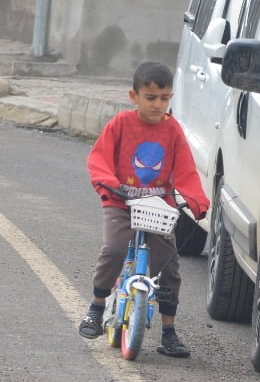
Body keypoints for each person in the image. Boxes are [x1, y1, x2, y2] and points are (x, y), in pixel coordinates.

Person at [79, 60, 209, 357]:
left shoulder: (173, 130)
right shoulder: (121, 124)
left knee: (169, 266)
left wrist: (195, 199)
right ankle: (96, 308)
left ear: (170, 99)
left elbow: (186, 170)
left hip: (157, 206)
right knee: (113, 249)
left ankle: (169, 331)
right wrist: (108, 182)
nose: (157, 104)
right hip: (121, 202)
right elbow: (99, 158)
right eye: (150, 98)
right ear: (133, 97)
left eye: (164, 98)